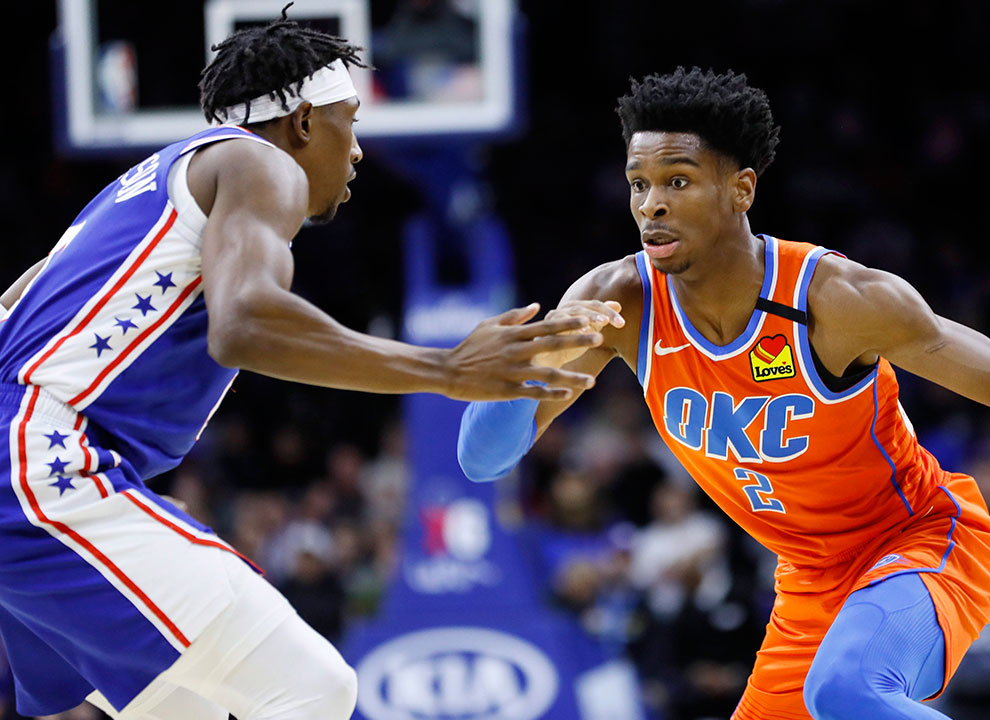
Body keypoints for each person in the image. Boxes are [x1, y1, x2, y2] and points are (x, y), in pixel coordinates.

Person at [456, 67, 990, 720]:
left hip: (924, 543)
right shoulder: (615, 302)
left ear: (741, 189)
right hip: (812, 582)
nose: (650, 204)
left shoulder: (835, 298)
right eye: (638, 184)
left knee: (849, 691)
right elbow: (483, 462)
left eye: (677, 181)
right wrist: (529, 366)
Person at [0, 9, 602, 720]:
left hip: (32, 466)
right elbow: (245, 325)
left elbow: (12, 302)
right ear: (303, 122)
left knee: (192, 710)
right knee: (314, 686)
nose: (358, 151)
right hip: (39, 463)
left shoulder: (139, 190)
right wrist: (445, 369)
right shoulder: (260, 164)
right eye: (350, 120)